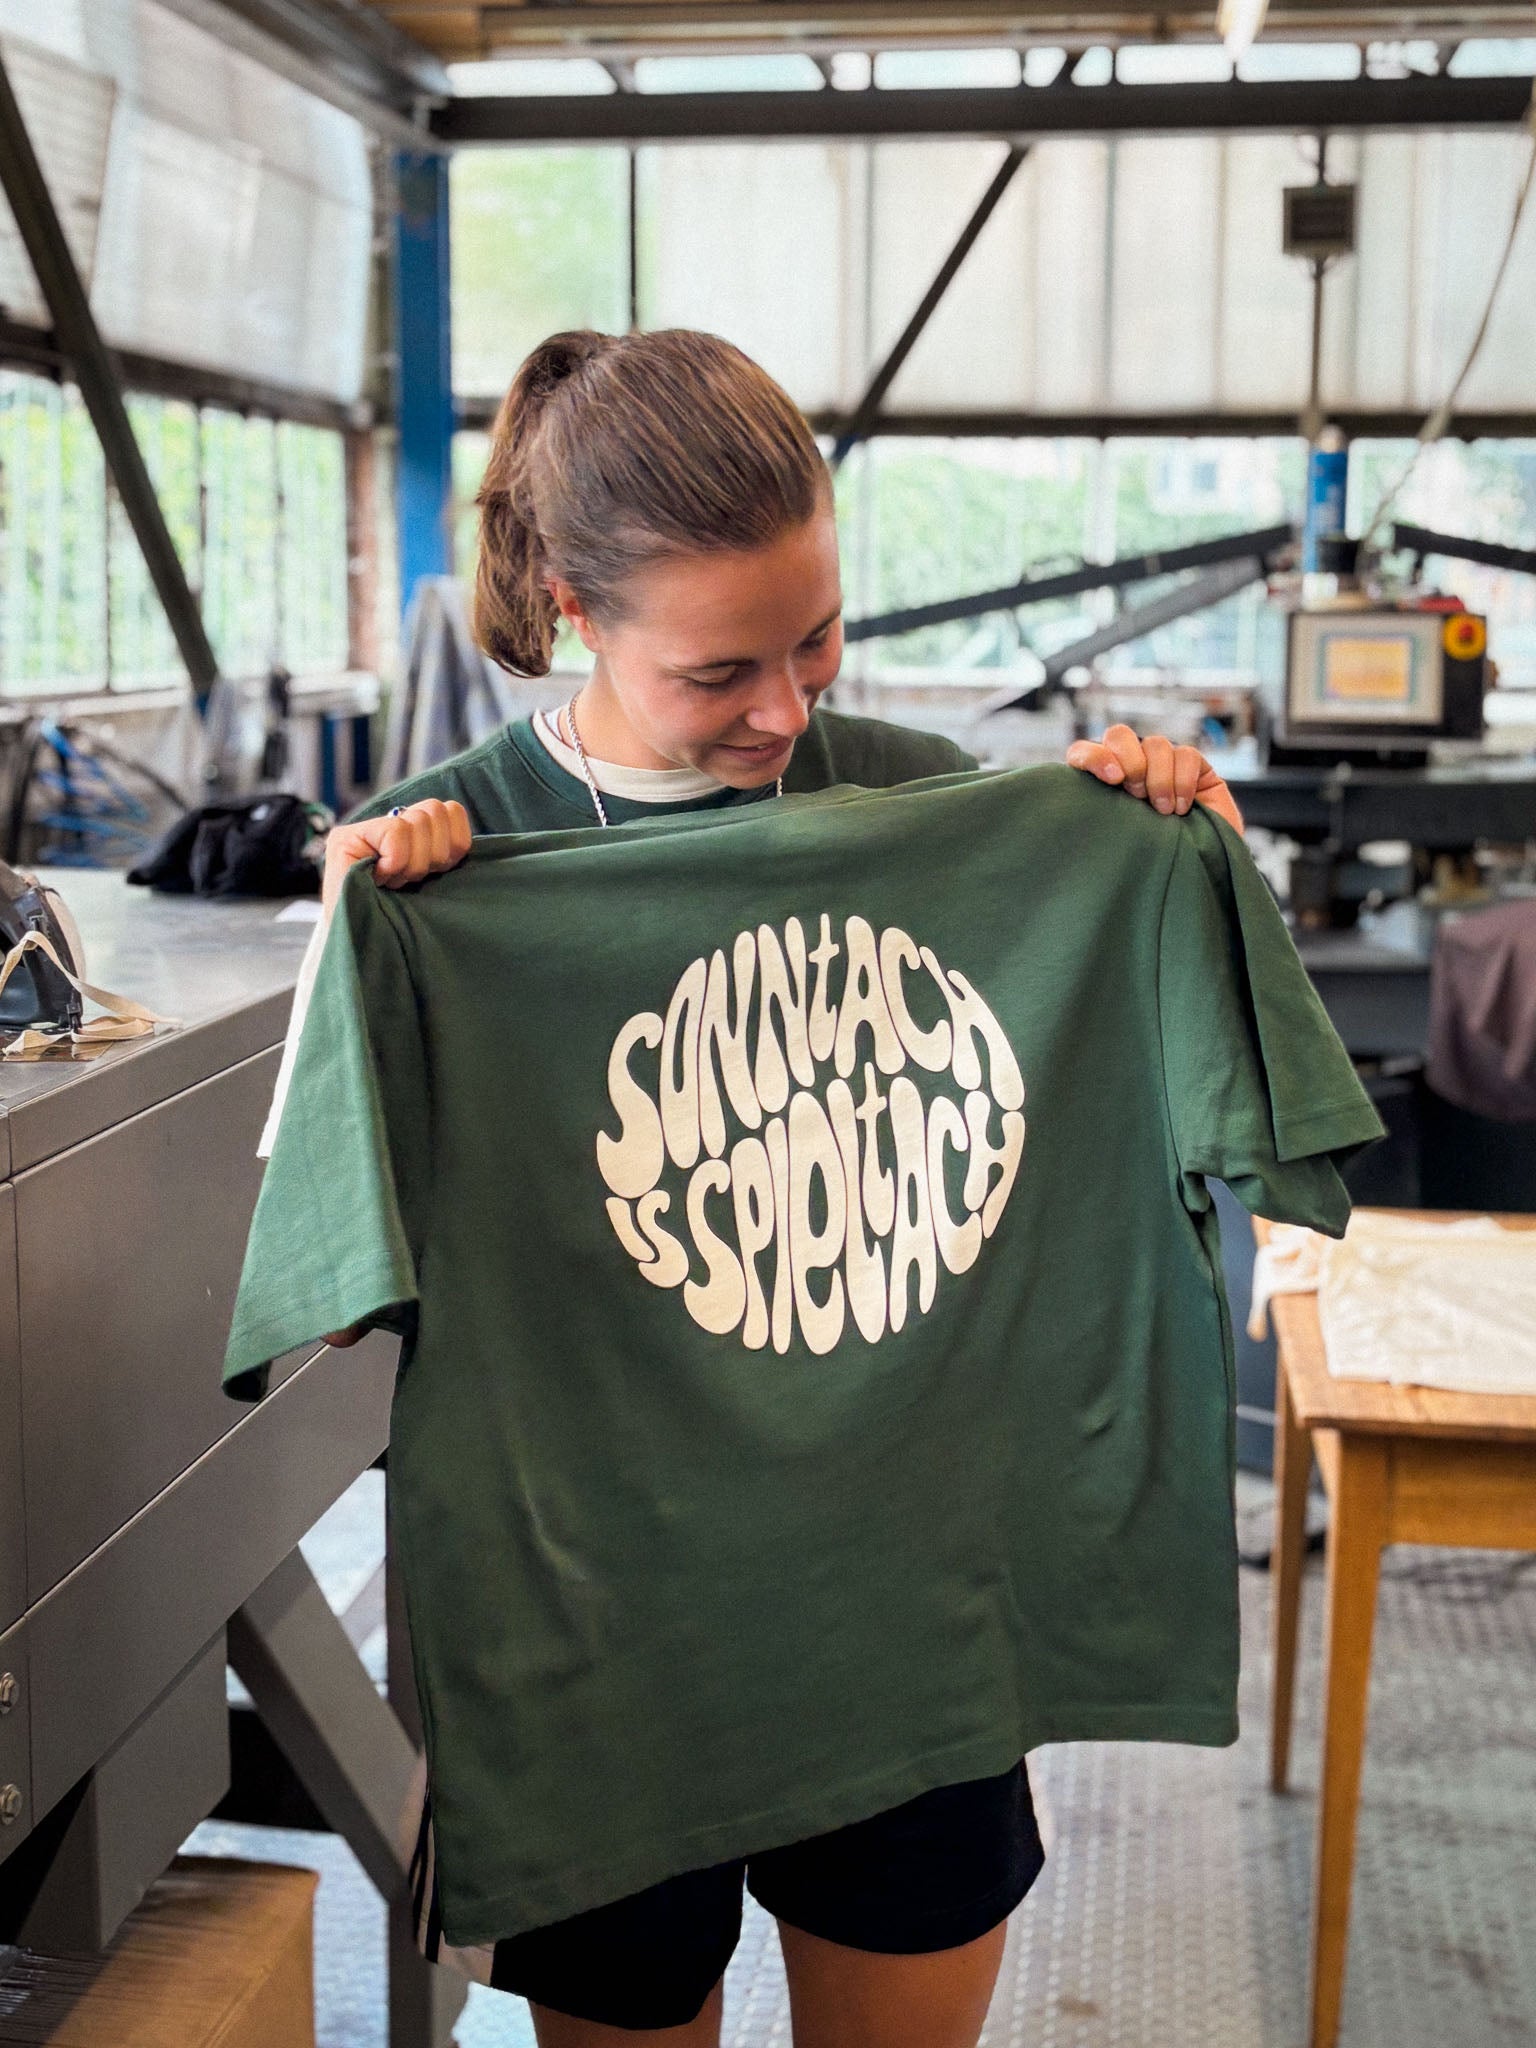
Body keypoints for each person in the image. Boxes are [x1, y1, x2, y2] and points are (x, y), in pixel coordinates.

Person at [286, 328, 1244, 2048]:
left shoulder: (937, 811)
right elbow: (336, 1289)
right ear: (574, 607)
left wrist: (1149, 837)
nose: (785, 710)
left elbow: (1155, 1068)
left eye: (815, 638)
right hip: (604, 1652)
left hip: (916, 1631)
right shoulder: (443, 866)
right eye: (720, 671)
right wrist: (373, 943)